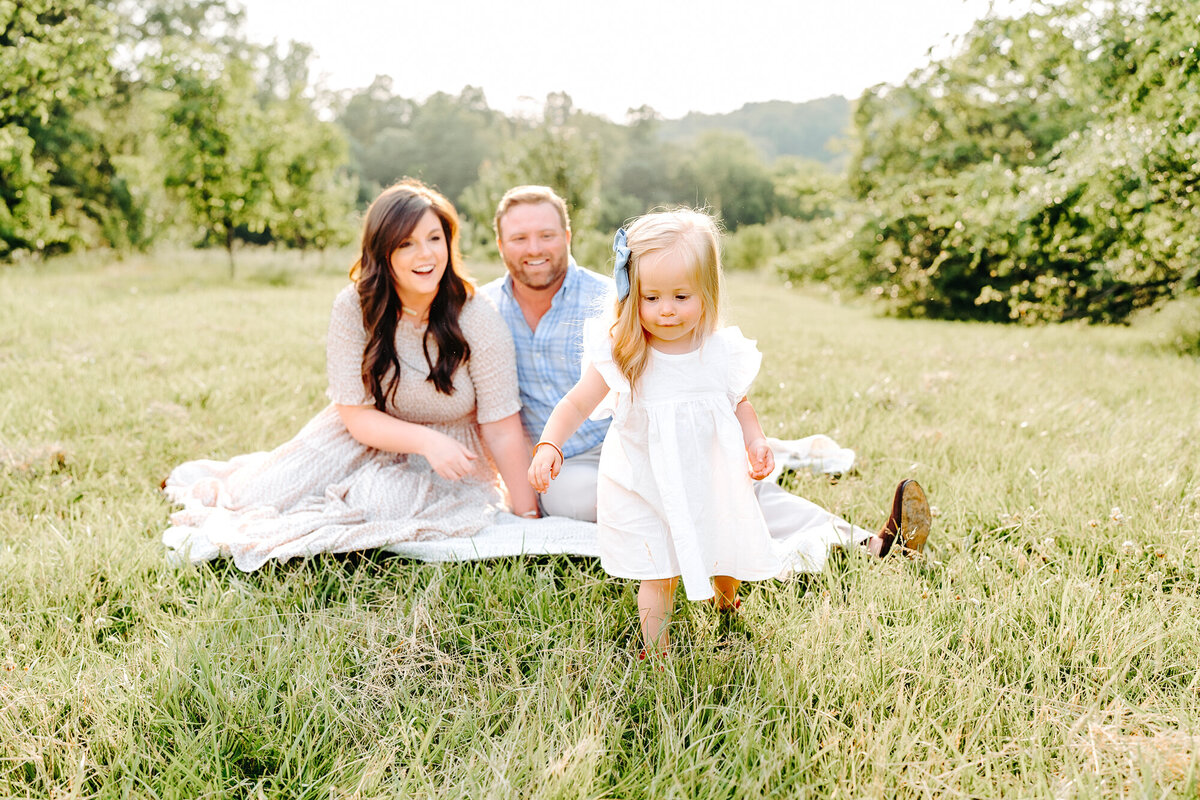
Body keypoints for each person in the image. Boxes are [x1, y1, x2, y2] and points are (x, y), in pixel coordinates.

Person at [481, 186, 930, 571]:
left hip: (653, 432)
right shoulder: (482, 311)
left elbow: (706, 372)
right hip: (574, 461)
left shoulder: (626, 296)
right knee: (576, 498)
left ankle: (866, 544)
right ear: (500, 244)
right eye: (520, 237)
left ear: (567, 237)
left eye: (546, 234)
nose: (534, 247)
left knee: (724, 483)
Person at [163, 179, 538, 571]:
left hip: (449, 453)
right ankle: (245, 475)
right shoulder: (354, 307)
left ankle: (364, 492)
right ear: (383, 252)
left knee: (382, 501)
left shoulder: (477, 315)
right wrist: (423, 439)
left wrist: (527, 516)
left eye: (434, 239)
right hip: (363, 434)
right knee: (259, 494)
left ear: (449, 243)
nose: (425, 254)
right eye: (406, 243)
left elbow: (501, 426)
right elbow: (354, 414)